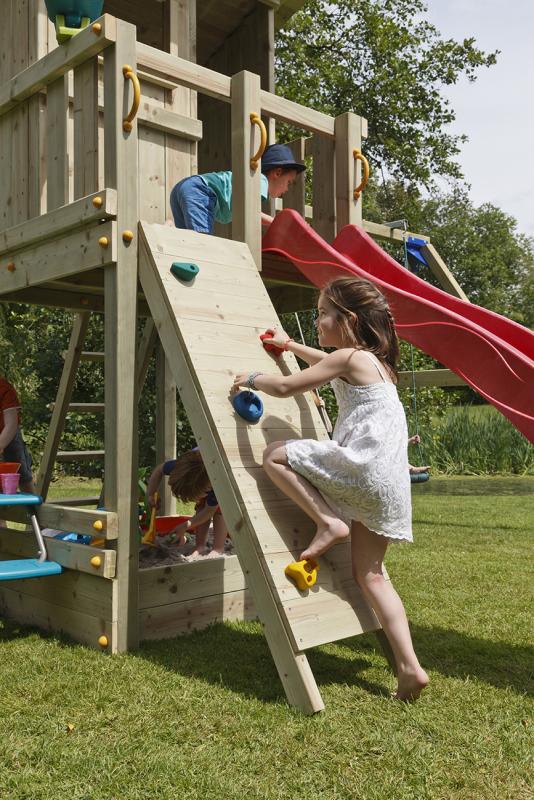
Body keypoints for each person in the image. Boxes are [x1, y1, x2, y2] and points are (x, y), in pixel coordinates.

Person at [231, 277, 429, 701]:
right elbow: (326, 359)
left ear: (349, 319)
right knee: (372, 576)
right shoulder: (376, 365)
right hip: (389, 483)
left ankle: (327, 522)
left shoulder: (348, 357)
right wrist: (289, 345)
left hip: (363, 469)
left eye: (323, 313)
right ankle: (411, 669)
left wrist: (251, 376)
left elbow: (286, 386)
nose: (317, 321)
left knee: (274, 457)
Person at [169, 143, 305, 234]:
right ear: (277, 173)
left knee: (186, 240)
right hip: (200, 191)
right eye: (289, 182)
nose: (287, 189)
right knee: (202, 241)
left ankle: (169, 231)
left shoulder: (251, 180)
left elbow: (250, 212)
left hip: (184, 188)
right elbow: (252, 214)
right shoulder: (259, 180)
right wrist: (277, 223)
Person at [146, 449, 229, 560]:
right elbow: (159, 470)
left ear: (208, 486)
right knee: (201, 506)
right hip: (202, 466)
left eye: (198, 495)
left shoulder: (216, 479)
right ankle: (200, 546)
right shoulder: (178, 468)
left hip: (224, 471)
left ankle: (218, 548)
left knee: (219, 510)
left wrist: (186, 525)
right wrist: (151, 494)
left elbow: (209, 511)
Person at [0, 376, 35, 493]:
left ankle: (33, 509)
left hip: (7, 431)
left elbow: (11, 424)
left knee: (19, 469)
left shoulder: (4, 388)